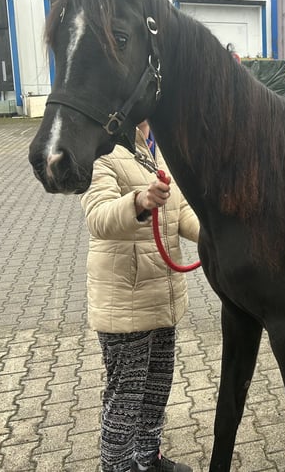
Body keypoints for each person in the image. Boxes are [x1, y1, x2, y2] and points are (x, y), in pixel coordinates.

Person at [80, 120, 199, 472]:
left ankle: (148, 460)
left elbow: (181, 212)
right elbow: (98, 217)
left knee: (156, 389)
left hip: (162, 295)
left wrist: (214, 238)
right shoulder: (101, 148)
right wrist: (139, 201)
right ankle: (117, 467)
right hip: (125, 298)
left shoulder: (157, 146)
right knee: (125, 398)